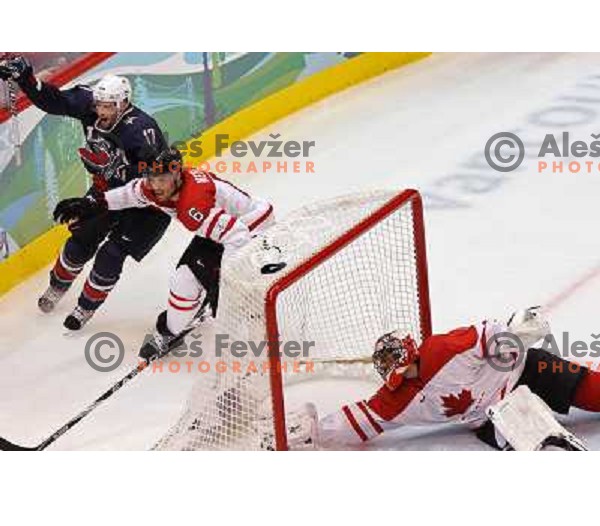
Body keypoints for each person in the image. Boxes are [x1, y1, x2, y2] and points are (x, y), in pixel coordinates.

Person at [0, 55, 171, 330]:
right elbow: (53, 101)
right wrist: (26, 79)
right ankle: (57, 288)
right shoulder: (89, 104)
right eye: (99, 105)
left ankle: (85, 308)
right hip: (107, 191)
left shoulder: (141, 131)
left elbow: (151, 185)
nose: (101, 112)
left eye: (109, 107)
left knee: (111, 254)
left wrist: (99, 201)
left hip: (146, 205)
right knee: (80, 240)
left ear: (124, 103)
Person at [53, 147, 275, 358]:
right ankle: (172, 329)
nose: (155, 185)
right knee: (185, 280)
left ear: (177, 174)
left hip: (252, 229)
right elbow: (130, 194)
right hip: (224, 228)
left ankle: (258, 331)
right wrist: (91, 203)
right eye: (151, 178)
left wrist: (226, 282)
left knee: (219, 292)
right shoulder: (155, 187)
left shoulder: (192, 205)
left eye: (161, 179)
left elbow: (237, 236)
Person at [312, 307, 600, 450]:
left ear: (410, 352)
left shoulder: (442, 349)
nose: (398, 374)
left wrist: (514, 334)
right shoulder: (395, 399)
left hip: (527, 370)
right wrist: (308, 433)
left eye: (398, 364)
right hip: (494, 417)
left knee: (595, 393)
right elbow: (357, 420)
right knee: (545, 446)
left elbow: (488, 336)